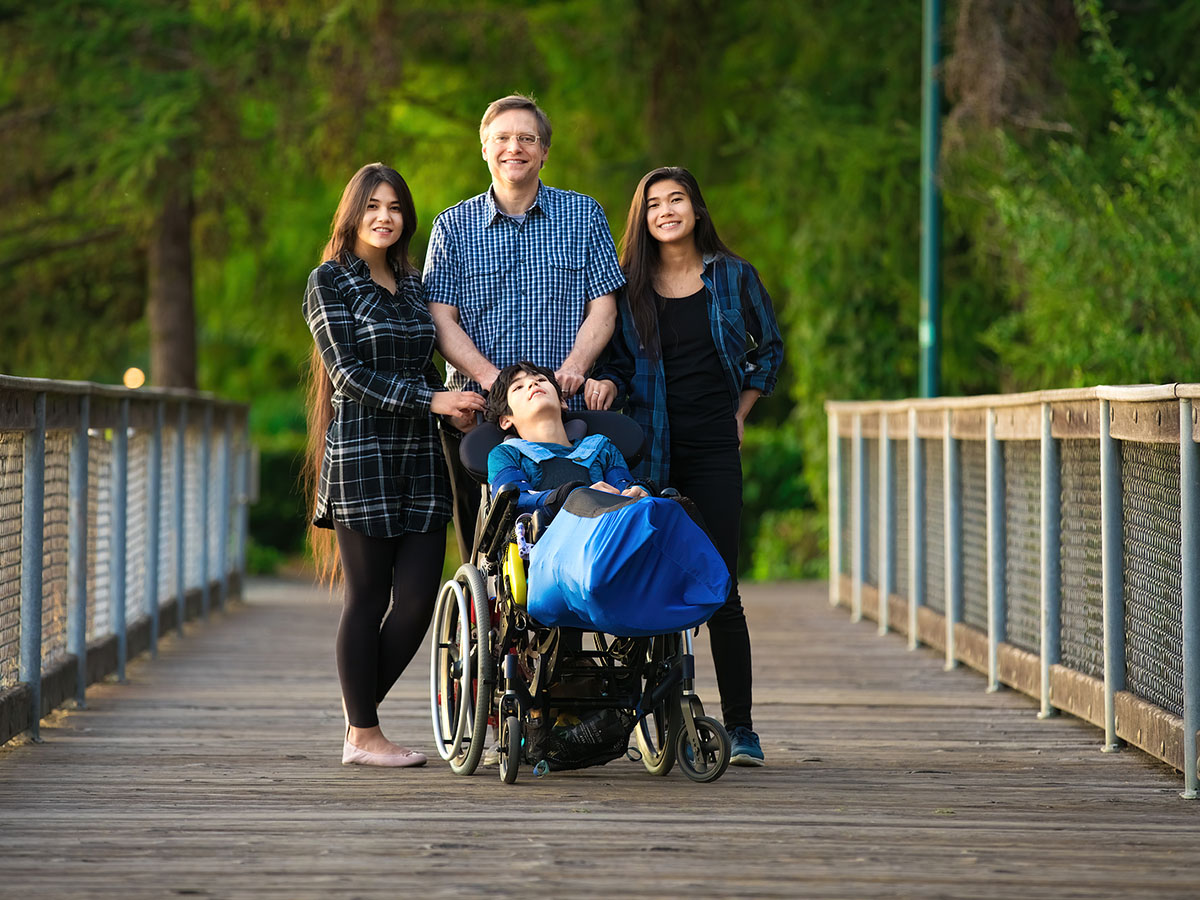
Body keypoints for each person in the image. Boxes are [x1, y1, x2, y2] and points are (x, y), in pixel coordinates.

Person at [586, 166, 784, 767]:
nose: (666, 211)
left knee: (720, 586)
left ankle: (742, 728)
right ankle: (652, 715)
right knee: (650, 583)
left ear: (697, 209)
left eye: (677, 200)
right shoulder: (627, 287)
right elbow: (620, 364)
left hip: (713, 449)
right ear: (642, 219)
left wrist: (741, 412)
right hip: (651, 449)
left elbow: (769, 351)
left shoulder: (734, 276)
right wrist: (604, 386)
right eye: (653, 205)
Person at [303, 163, 486, 768]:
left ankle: (358, 725)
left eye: (396, 208)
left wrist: (449, 408)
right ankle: (365, 732)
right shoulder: (330, 281)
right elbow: (348, 377)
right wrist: (430, 398)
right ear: (352, 212)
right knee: (367, 597)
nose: (385, 217)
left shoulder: (412, 286)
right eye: (373, 206)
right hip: (361, 454)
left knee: (415, 602)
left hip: (419, 455)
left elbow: (418, 366)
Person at [423, 94, 626, 561]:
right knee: (486, 548)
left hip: (564, 414)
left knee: (587, 525)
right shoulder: (452, 226)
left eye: (526, 138)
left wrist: (574, 367)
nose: (514, 147)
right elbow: (440, 318)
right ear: (484, 148)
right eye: (502, 138)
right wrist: (488, 377)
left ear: (544, 152)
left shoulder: (583, 215)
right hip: (478, 416)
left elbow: (604, 308)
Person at [484, 361, 648, 514]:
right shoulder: (505, 454)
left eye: (540, 380)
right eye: (518, 387)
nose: (533, 384)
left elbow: (623, 488)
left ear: (562, 401)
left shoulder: (601, 448)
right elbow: (513, 503)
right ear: (505, 419)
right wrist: (570, 497)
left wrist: (638, 491)